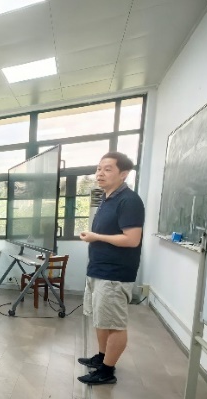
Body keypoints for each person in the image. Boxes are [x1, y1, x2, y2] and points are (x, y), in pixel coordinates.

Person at [77, 152, 145, 386]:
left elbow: (132, 239)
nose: (100, 173)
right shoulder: (107, 199)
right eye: (99, 168)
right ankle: (102, 356)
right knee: (101, 319)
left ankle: (107, 371)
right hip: (98, 269)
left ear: (123, 174)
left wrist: (96, 236)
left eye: (107, 169)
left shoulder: (129, 200)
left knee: (114, 323)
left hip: (115, 273)